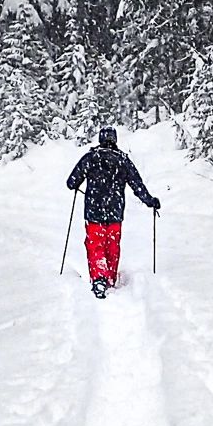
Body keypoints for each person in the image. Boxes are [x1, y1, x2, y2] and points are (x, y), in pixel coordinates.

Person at [65, 127, 161, 298]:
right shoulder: (122, 160)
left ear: (100, 139)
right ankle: (109, 278)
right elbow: (137, 185)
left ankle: (99, 278)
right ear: (115, 140)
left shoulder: (91, 158)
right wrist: (150, 201)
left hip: (94, 212)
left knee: (96, 245)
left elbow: (71, 182)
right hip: (115, 213)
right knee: (112, 246)